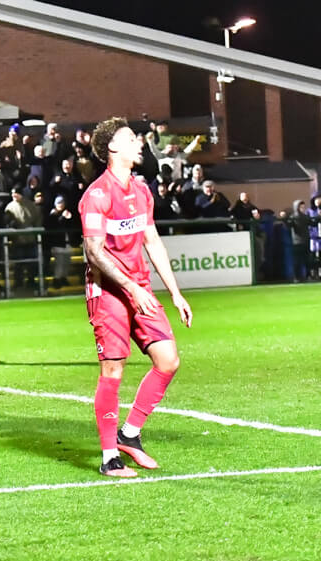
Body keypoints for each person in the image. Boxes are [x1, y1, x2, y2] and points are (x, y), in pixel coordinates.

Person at [79, 117, 192, 478]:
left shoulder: (141, 191)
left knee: (168, 359)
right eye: (131, 139)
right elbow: (95, 252)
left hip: (139, 286)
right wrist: (132, 288)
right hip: (110, 291)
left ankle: (130, 434)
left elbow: (153, 241)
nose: (139, 143)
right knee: (113, 369)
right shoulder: (96, 195)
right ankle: (110, 456)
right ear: (113, 148)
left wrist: (174, 293)